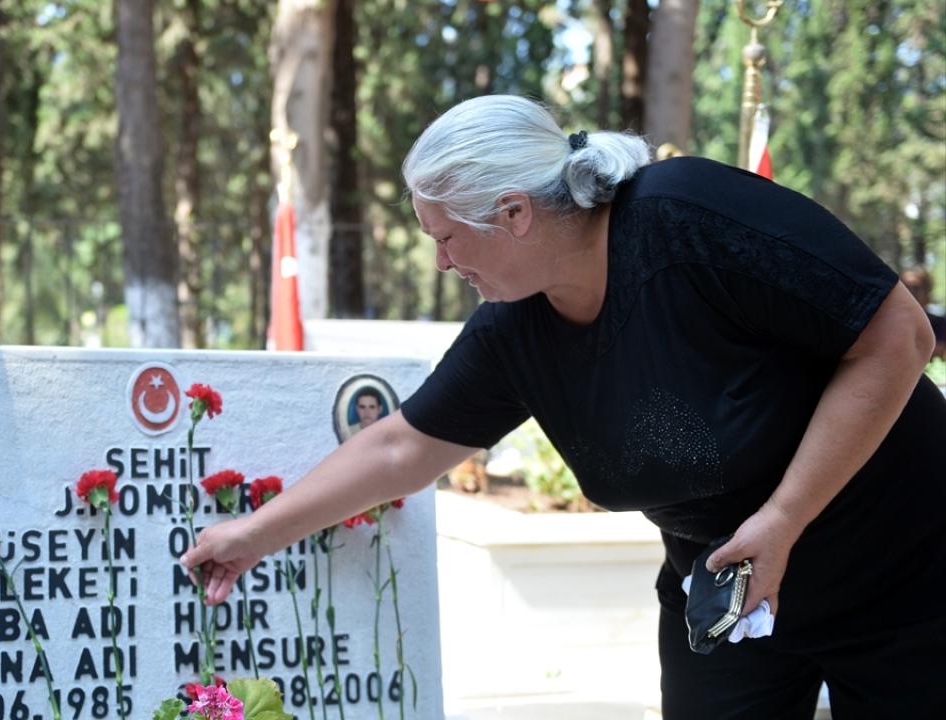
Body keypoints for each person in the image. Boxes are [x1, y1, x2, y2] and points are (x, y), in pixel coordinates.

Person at [181, 95, 945, 718]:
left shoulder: (691, 217)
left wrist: (784, 518)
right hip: (730, 594)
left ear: (515, 213)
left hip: (905, 576)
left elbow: (899, 338)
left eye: (448, 238)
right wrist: (254, 534)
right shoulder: (515, 329)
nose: (442, 262)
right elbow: (401, 448)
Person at [900, 266, 946, 360]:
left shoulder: (938, 323)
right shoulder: (891, 322)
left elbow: (939, 352)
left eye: (915, 288)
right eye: (904, 287)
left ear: (926, 290)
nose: (909, 292)